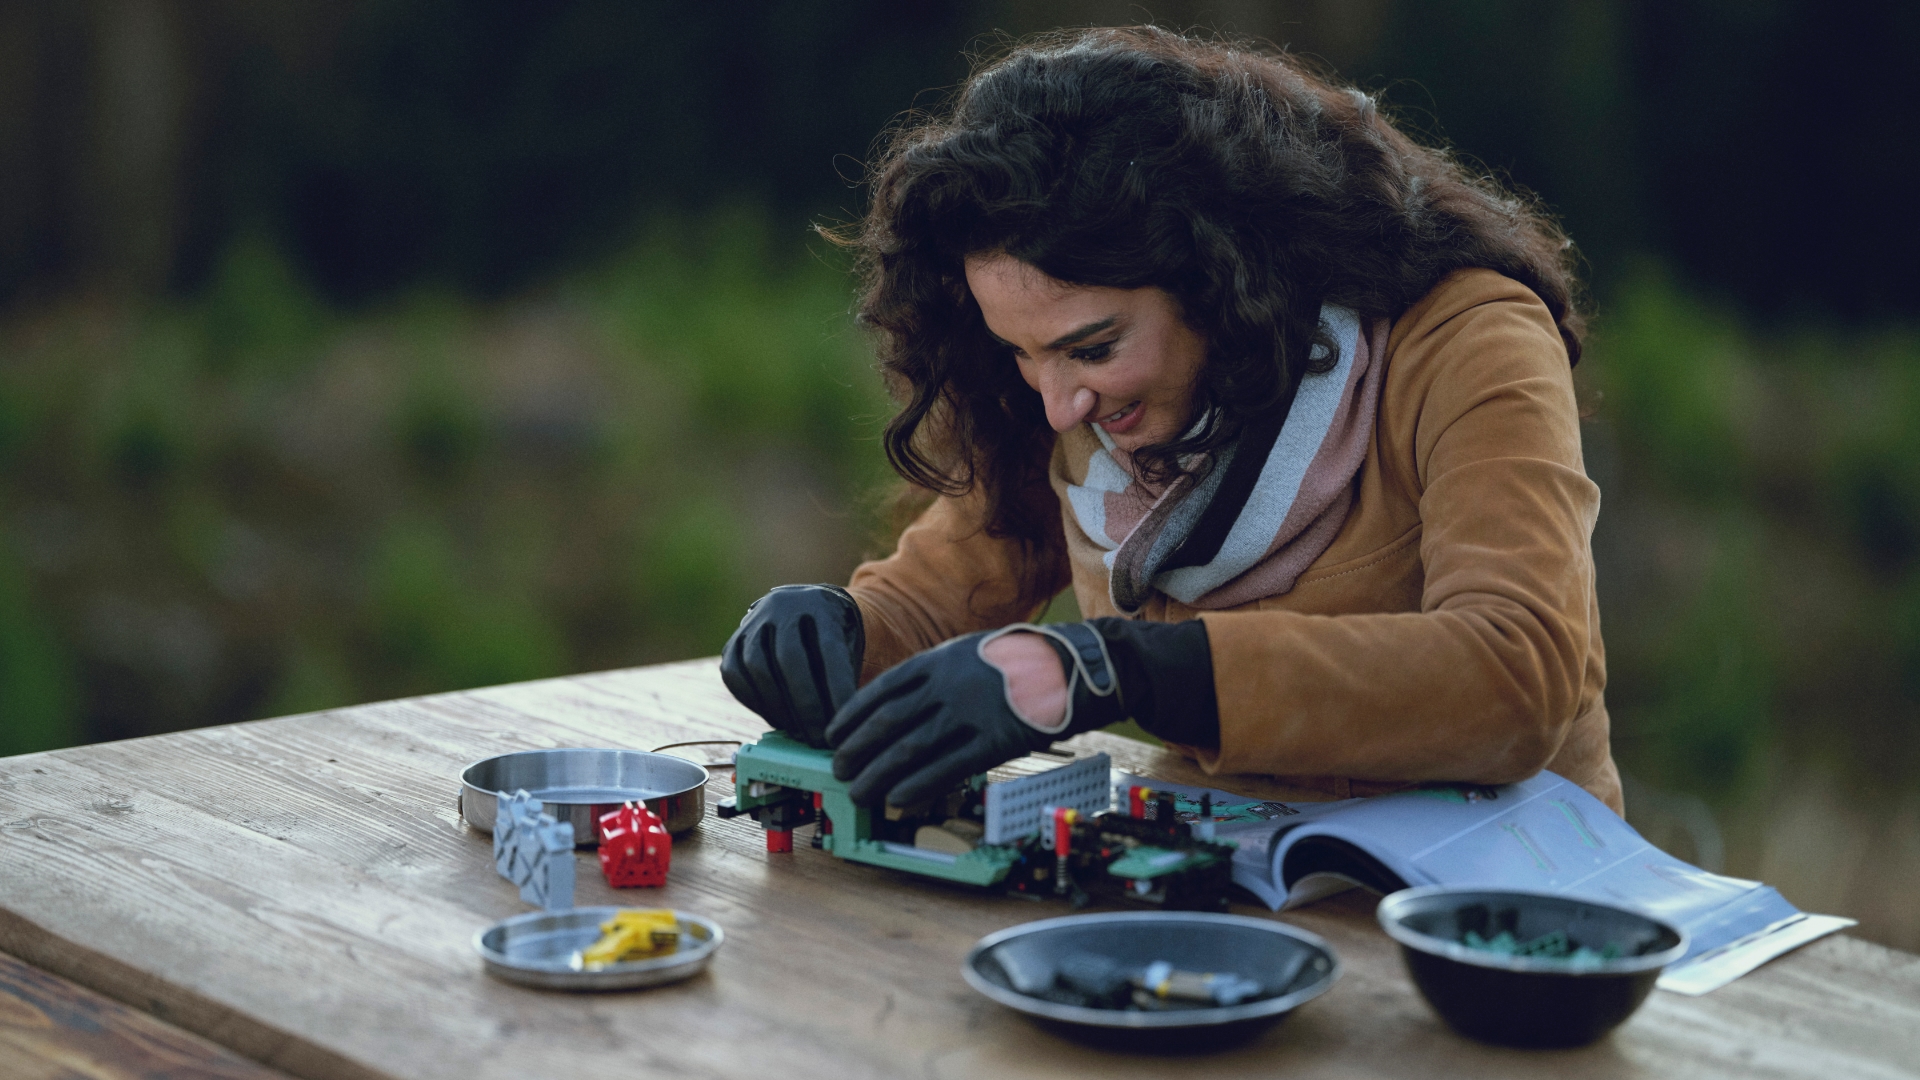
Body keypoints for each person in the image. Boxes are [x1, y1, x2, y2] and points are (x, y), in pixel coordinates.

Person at [720, 27, 1622, 817]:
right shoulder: (1081, 396)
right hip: (1218, 881)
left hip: (1499, 901)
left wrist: (1125, 671)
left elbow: (1517, 674)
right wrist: (833, 630)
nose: (1058, 404)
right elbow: (931, 597)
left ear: (1219, 276)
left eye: (1092, 347)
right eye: (1019, 354)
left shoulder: (1468, 335)